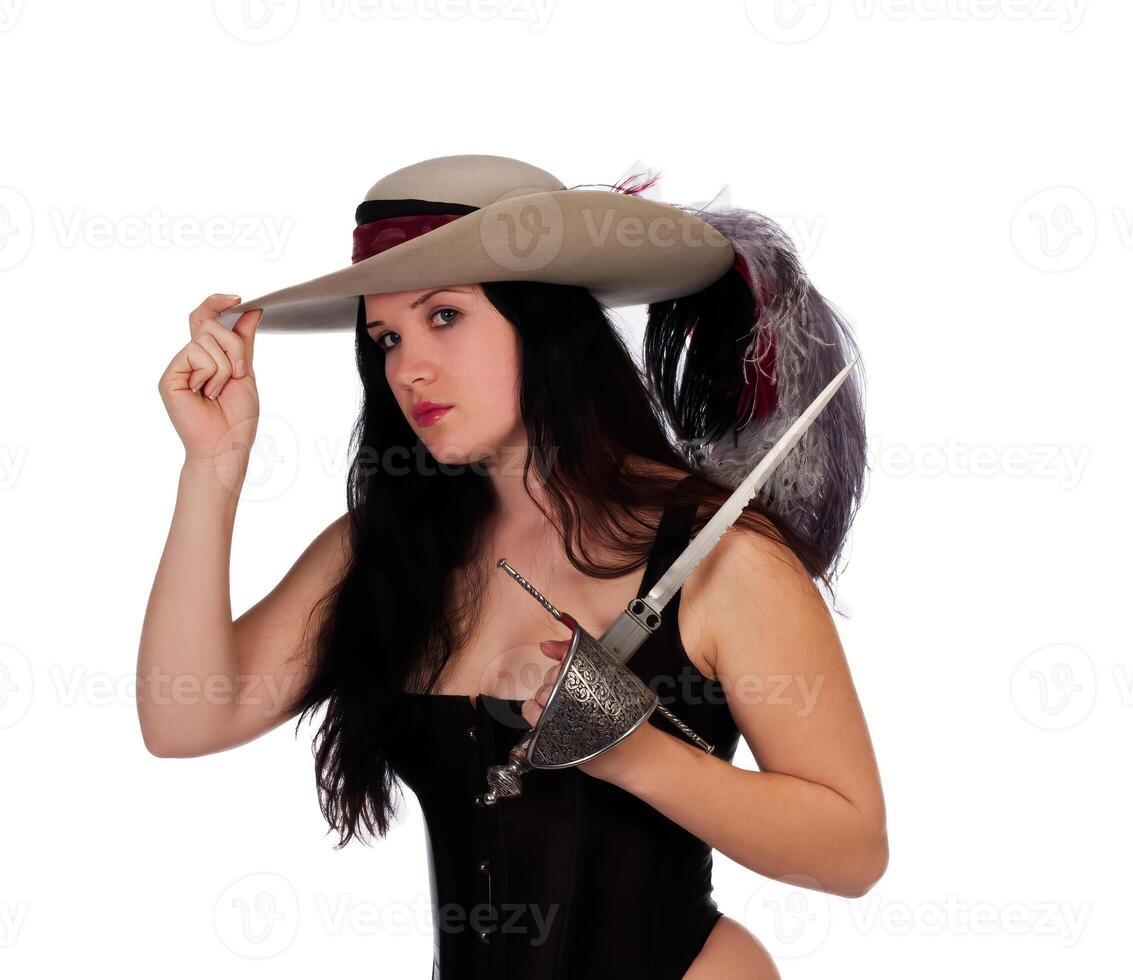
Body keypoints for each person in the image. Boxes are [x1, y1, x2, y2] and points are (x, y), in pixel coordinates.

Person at [137, 154, 888, 978]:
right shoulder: (384, 550)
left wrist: (636, 756)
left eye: (445, 317)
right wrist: (213, 466)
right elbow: (184, 721)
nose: (405, 368)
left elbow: (850, 852)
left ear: (541, 322)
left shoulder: (721, 558)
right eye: (385, 337)